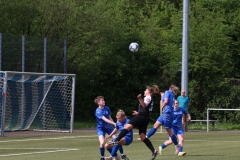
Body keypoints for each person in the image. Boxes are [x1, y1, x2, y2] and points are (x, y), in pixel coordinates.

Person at [111, 85, 160, 160]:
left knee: (127, 126)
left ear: (149, 91)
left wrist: (139, 98)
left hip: (142, 117)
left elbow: (144, 105)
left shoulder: (148, 97)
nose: (144, 91)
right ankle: (153, 151)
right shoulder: (151, 99)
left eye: (146, 90)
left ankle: (117, 140)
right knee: (143, 136)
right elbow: (148, 112)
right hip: (145, 118)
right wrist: (138, 113)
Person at [146, 85, 181, 155]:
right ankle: (146, 137)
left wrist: (162, 106)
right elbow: (167, 100)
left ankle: (177, 145)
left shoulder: (168, 92)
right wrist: (162, 97)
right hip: (165, 114)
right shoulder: (172, 94)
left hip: (167, 114)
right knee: (156, 125)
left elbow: (166, 101)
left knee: (170, 132)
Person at [94, 96, 117, 160]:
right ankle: (102, 157)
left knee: (116, 139)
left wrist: (114, 124)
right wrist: (114, 123)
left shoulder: (107, 108)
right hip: (101, 128)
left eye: (103, 100)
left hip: (108, 127)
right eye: (102, 100)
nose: (104, 101)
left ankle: (114, 155)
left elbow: (109, 118)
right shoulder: (98, 111)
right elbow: (105, 119)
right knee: (102, 143)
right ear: (98, 103)